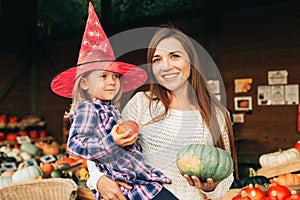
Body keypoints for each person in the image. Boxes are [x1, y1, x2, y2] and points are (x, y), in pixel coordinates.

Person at [87, 24, 236, 200]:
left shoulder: (218, 114)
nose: (165, 66)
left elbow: (226, 174)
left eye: (174, 56)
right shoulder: (142, 103)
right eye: (157, 60)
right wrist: (98, 179)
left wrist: (212, 187)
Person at [50, 3, 178, 200]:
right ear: (84, 83)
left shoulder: (112, 109)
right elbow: (75, 145)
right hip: (125, 186)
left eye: (115, 76)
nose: (112, 82)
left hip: (136, 180)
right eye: (103, 76)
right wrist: (112, 141)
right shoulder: (87, 109)